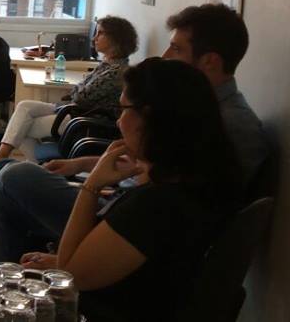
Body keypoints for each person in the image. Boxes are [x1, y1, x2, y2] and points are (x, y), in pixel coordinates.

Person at [0, 4, 268, 267]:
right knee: (4, 196)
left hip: (130, 225)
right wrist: (82, 164)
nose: (165, 56)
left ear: (210, 61)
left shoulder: (230, 125)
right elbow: (154, 166)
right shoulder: (194, 110)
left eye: (176, 49)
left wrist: (94, 190)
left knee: (17, 174)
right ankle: (1, 279)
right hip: (123, 201)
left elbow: (181, 214)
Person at [18, 58, 243, 321]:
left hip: (99, 309)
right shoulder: (203, 179)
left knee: (16, 179)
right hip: (141, 296)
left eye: (123, 109)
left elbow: (70, 275)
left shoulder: (155, 205)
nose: (118, 121)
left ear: (148, 118)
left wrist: (92, 185)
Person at [0, 15, 138, 165]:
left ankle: (34, 166)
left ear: (116, 39)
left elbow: (80, 96)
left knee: (20, 128)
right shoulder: (106, 64)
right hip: (74, 110)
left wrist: (78, 90)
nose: (94, 38)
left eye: (100, 33)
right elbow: (79, 90)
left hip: (84, 118)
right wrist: (78, 90)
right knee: (24, 107)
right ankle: (26, 163)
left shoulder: (117, 72)